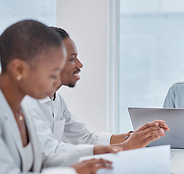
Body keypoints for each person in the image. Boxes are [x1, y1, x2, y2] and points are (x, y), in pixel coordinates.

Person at [0, 20, 114, 174]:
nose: (55, 83)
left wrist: (94, 152)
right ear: (19, 69)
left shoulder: (21, 109)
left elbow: (42, 161)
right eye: (52, 74)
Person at [22, 27, 168, 157]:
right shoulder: (26, 104)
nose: (80, 65)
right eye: (72, 59)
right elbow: (51, 150)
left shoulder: (57, 100)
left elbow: (86, 138)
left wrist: (135, 136)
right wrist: (124, 147)